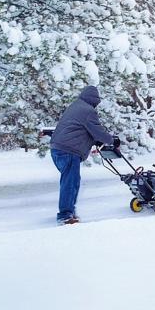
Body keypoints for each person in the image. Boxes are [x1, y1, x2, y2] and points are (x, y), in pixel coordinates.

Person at [50, 86, 118, 225]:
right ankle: (65, 216)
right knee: (70, 183)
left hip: (58, 149)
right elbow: (97, 131)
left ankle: (69, 211)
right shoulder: (87, 110)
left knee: (71, 182)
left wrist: (95, 140)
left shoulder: (76, 106)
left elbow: (80, 130)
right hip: (68, 151)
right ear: (94, 100)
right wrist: (112, 140)